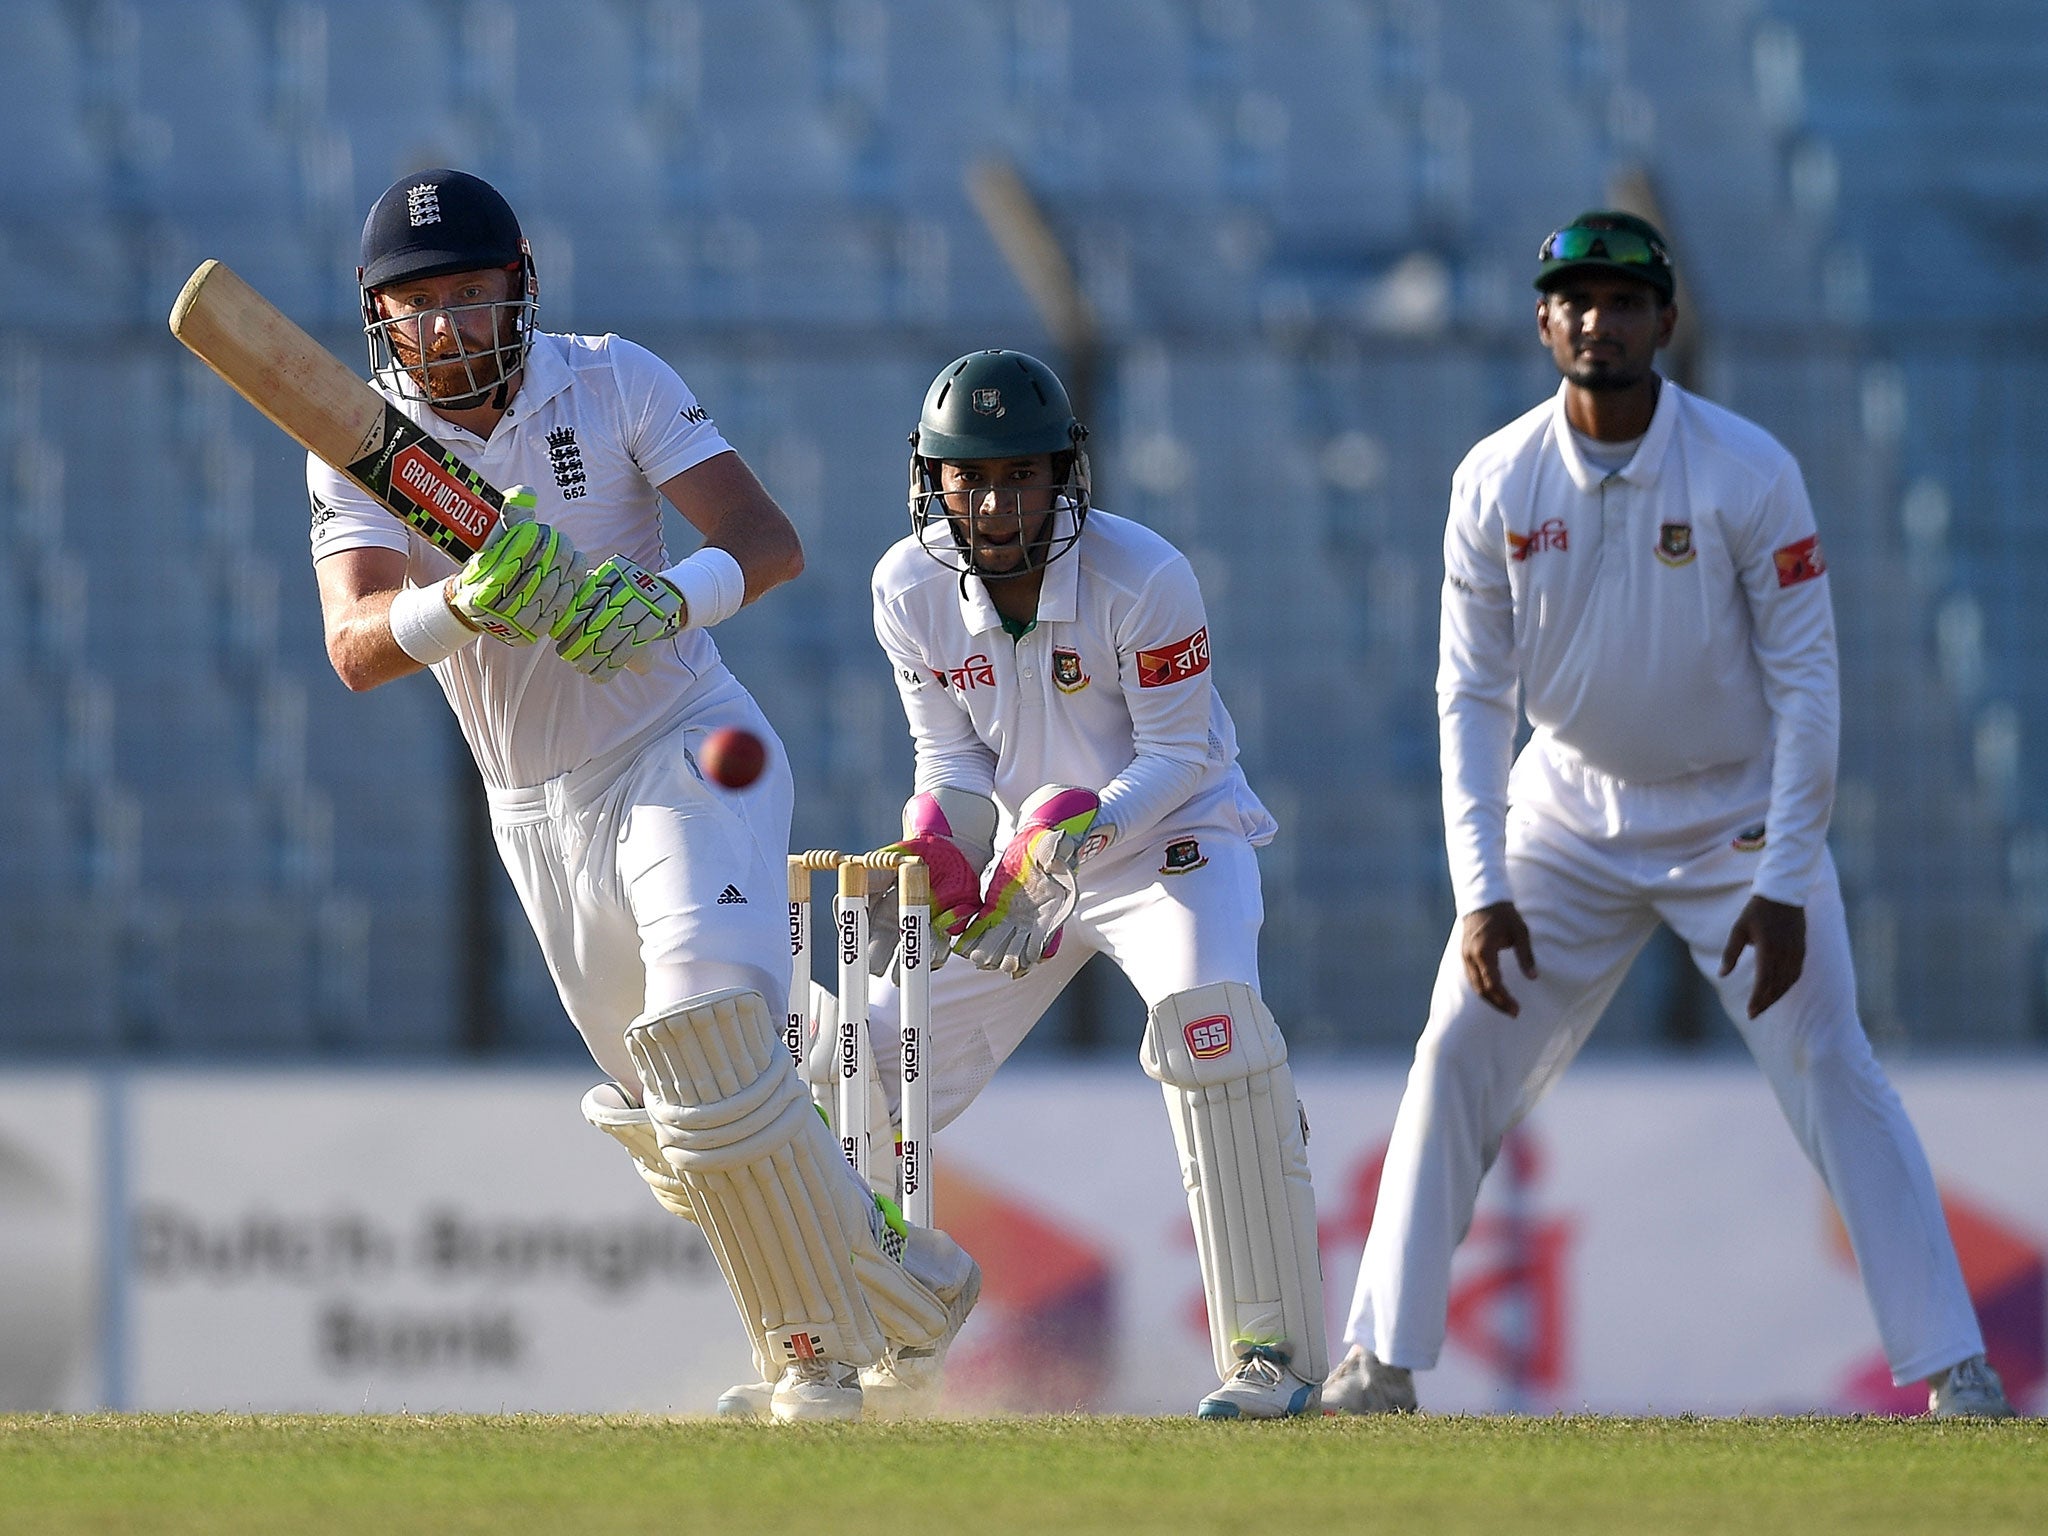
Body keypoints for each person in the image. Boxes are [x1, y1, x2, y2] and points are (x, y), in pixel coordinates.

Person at [308, 168, 978, 1423]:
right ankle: (900, 1270)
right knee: (680, 1125)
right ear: (377, 314)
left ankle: (813, 1368)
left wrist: (667, 600)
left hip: (685, 744)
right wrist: (458, 603)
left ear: (519, 287)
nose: (445, 323)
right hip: (536, 811)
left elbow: (766, 541)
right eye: (418, 302)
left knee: (703, 1033)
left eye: (469, 291)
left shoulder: (610, 376)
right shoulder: (358, 439)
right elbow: (355, 645)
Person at [1322, 211, 2015, 1419]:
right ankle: (1378, 1361)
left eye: (1624, 301)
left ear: (1665, 323)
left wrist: (1784, 878)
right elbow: (1470, 697)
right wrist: (1482, 891)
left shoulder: (1747, 470)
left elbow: (1807, 685)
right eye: (1576, 301)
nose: (1598, 320)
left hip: (1730, 818)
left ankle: (1955, 1366)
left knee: (1828, 1061)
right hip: (1563, 811)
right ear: (1543, 323)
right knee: (1454, 1049)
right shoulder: (1494, 478)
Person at [849, 349, 1326, 1419]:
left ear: (1064, 474)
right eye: (971, 478)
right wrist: (940, 838)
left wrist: (1078, 838)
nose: (995, 503)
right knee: (867, 1057)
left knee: (1213, 1035)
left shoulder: (1143, 575)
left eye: (1020, 475)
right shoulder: (904, 585)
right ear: (932, 479)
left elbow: (1180, 755)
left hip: (1171, 845)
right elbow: (950, 758)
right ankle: (894, 1317)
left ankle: (1274, 1358)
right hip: (1025, 871)